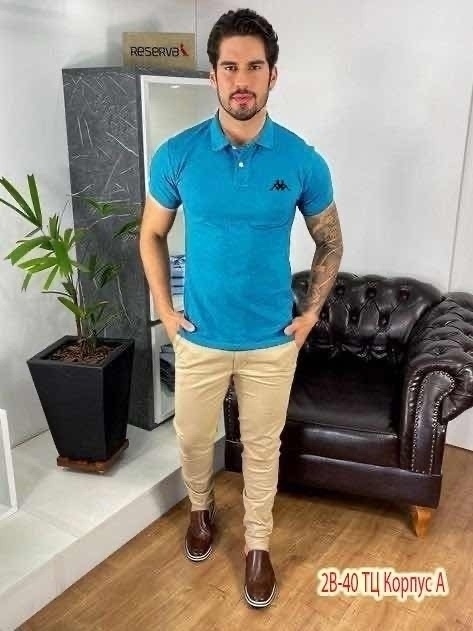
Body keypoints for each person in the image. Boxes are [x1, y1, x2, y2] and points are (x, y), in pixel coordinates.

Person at [139, 8, 344, 608]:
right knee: (192, 439)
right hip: (199, 337)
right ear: (213, 75)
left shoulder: (301, 160)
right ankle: (200, 510)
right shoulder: (177, 155)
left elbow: (330, 242)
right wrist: (166, 313)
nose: (241, 80)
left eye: (254, 66)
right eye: (230, 67)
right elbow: (150, 234)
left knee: (261, 448)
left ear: (272, 74)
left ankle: (257, 546)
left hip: (271, 341)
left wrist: (309, 316)